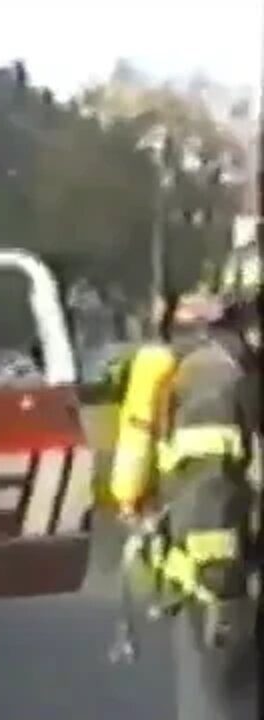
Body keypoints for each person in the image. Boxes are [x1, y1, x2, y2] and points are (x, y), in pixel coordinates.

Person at [109, 245, 260, 720]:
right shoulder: (215, 381)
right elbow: (208, 498)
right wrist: (225, 593)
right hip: (222, 597)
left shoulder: (245, 372)